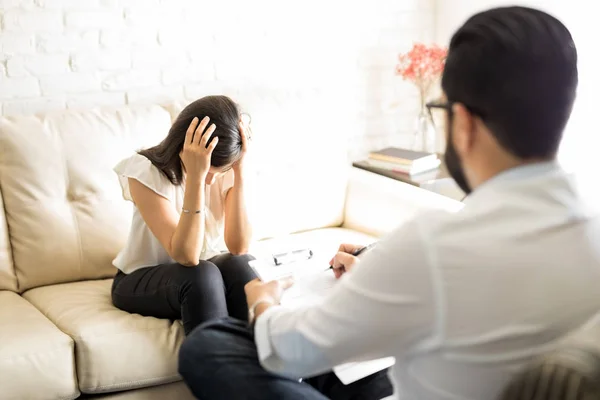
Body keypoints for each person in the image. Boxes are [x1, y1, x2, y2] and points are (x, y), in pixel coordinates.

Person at [178, 6, 600, 400]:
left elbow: (287, 350)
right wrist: (381, 279)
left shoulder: (434, 245)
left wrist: (262, 300)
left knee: (208, 347)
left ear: (464, 123)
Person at [111, 95, 258, 335]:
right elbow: (187, 256)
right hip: (137, 279)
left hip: (200, 275)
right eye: (210, 172)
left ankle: (260, 366)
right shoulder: (145, 171)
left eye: (220, 172)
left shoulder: (226, 167)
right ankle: (213, 369)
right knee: (201, 274)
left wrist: (239, 171)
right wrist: (196, 178)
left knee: (241, 265)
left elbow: (239, 246)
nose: (213, 180)